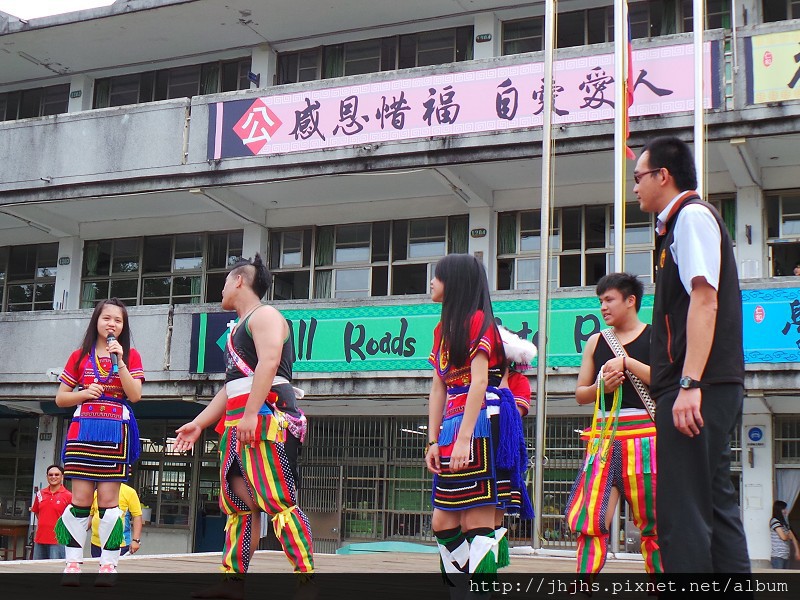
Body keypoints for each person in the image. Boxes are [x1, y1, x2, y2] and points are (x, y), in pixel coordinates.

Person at [634, 136, 750, 573]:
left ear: (663, 175)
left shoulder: (692, 217)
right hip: (706, 385)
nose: (635, 188)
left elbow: (705, 300)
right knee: (716, 508)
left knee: (682, 513)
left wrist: (689, 383)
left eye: (639, 177)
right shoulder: (676, 226)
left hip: (696, 387)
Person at [174, 253, 314, 599]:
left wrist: (251, 414)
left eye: (224, 280)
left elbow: (269, 362)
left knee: (279, 501)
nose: (220, 287)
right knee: (238, 506)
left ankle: (308, 580)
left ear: (239, 281)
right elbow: (231, 386)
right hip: (240, 423)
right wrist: (198, 422)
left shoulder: (264, 314)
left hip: (264, 419)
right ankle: (232, 583)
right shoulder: (238, 326)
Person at [425, 254, 531, 583]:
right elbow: (438, 389)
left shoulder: (478, 321)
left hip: (481, 423)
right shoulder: (441, 328)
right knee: (442, 523)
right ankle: (467, 583)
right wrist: (432, 440)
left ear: (454, 281)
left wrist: (464, 438)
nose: (431, 282)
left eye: (437, 276)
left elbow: (480, 381)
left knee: (478, 524)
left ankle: (477, 587)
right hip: (453, 425)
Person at [564, 273, 662, 575]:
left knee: (655, 523)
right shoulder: (596, 341)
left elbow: (665, 380)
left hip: (645, 440)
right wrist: (601, 388)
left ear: (630, 301)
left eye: (609, 300)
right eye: (600, 301)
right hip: (603, 440)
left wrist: (628, 363)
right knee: (590, 519)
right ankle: (582, 587)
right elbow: (581, 394)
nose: (603, 307)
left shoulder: (655, 335)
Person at [54, 297, 144, 582]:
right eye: (107, 318)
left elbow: (136, 395)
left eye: (118, 320)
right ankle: (72, 563)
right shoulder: (79, 355)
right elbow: (60, 398)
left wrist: (120, 361)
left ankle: (108, 564)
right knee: (80, 500)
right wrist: (83, 393)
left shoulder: (130, 355)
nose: (112, 324)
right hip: (84, 431)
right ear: (97, 320)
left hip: (115, 432)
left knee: (109, 503)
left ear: (123, 326)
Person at [494, 325, 537, 564]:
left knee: (494, 514)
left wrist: (500, 378)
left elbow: (511, 414)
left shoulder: (519, 382)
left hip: (502, 453)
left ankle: (489, 565)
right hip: (475, 448)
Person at [30, 464, 72, 560]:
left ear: (62, 477)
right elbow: (37, 512)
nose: (53, 477)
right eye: (50, 475)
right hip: (40, 539)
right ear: (47, 477)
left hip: (58, 540)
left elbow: (72, 518)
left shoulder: (68, 496)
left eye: (57, 475)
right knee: (38, 570)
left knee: (54, 571)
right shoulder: (40, 494)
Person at [90, 483, 143, 558]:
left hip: (119, 542)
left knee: (112, 567)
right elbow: (91, 515)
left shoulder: (129, 492)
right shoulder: (97, 491)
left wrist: (136, 540)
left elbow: (137, 516)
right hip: (96, 543)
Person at [770, 500, 800, 569]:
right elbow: (783, 537)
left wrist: (797, 551)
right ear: (778, 509)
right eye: (784, 509)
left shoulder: (784, 523)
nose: (786, 511)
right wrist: (788, 536)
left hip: (786, 555)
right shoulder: (774, 521)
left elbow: (793, 538)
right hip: (777, 556)